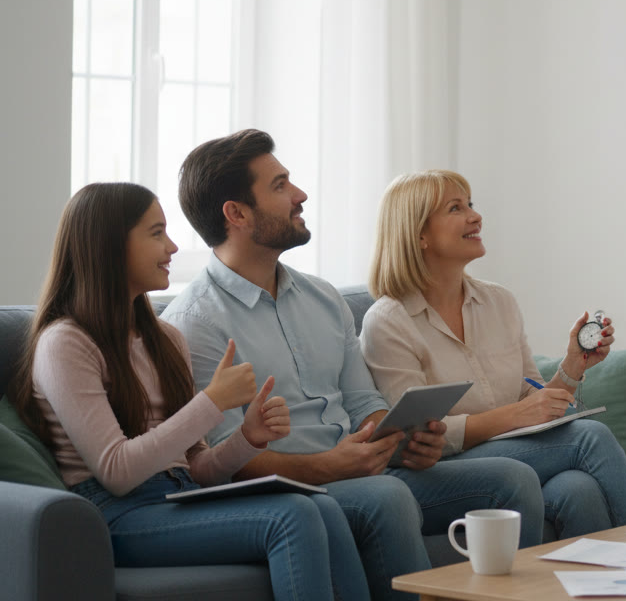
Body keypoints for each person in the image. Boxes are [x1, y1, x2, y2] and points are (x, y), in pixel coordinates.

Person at [160, 130, 544, 601]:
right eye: (280, 186)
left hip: (362, 469)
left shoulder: (323, 298)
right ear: (236, 213)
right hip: (295, 489)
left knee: (514, 478)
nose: (300, 195)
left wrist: (401, 436)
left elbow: (365, 402)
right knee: (385, 497)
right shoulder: (194, 323)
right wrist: (325, 466)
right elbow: (224, 460)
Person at [6, 183, 369, 601]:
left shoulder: (165, 338)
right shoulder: (65, 343)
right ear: (107, 244)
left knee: (324, 506)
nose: (173, 246)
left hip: (181, 494)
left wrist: (247, 438)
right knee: (293, 517)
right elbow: (117, 471)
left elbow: (198, 467)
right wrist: (211, 402)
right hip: (115, 511)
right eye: (156, 233)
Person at [359, 170, 626, 538]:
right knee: (590, 437)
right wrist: (514, 416)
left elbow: (532, 396)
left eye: (470, 204)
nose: (475, 216)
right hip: (440, 469)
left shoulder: (499, 302)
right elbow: (414, 438)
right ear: (419, 235)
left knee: (579, 490)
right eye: (455, 208)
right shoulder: (389, 322)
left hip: (512, 452)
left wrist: (573, 366)